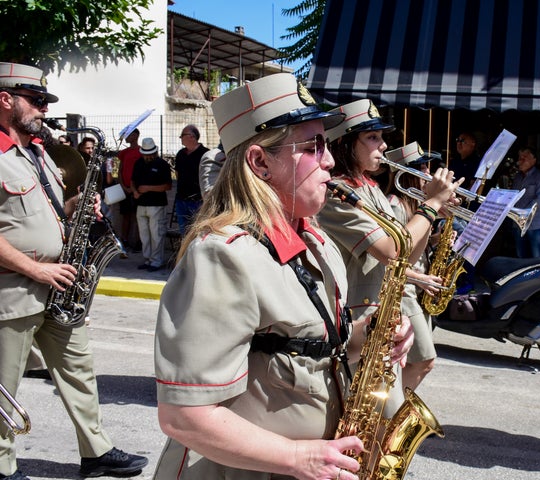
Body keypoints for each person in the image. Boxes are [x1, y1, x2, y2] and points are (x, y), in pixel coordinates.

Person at [153, 72, 413, 480]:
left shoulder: (317, 241)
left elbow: (302, 347)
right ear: (260, 162)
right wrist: (298, 458)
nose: (328, 160)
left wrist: (367, 336)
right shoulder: (222, 256)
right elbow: (185, 416)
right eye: (313, 146)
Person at [0, 62, 148, 480]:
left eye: (45, 101)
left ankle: (95, 450)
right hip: (14, 287)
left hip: (59, 283)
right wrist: (35, 268)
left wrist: (77, 209)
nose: (43, 110)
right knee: (6, 383)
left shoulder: (37, 153)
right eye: (36, 100)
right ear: (5, 99)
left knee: (79, 369)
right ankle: (2, 463)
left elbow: (43, 213)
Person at [316, 99, 459, 412]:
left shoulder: (371, 188)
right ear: (344, 143)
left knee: (381, 420)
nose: (383, 145)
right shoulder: (338, 193)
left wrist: (431, 213)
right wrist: (430, 204)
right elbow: (390, 251)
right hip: (356, 319)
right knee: (373, 419)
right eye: (372, 137)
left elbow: (403, 256)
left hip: (381, 317)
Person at [384, 142, 444, 391]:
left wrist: (439, 238)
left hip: (416, 289)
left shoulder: (413, 206)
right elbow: (394, 257)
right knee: (424, 360)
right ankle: (395, 415)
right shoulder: (395, 205)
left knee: (410, 361)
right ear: (408, 173)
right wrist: (418, 278)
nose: (429, 173)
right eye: (422, 167)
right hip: (404, 291)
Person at [131, 137, 171, 272]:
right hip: (141, 204)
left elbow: (167, 186)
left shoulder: (162, 164)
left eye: (150, 154)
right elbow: (133, 180)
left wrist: (148, 188)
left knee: (156, 234)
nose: (148, 156)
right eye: (145, 154)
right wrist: (135, 191)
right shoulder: (138, 163)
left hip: (157, 204)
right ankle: (148, 259)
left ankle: (156, 261)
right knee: (144, 234)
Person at [511, 146, 540, 258]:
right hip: (518, 225)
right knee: (520, 258)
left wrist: (521, 213)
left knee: (537, 258)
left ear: (534, 160)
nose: (521, 160)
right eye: (520, 157)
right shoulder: (517, 177)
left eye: (525, 157)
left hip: (535, 224)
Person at [173, 124, 209, 235]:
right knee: (184, 233)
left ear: (191, 136)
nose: (180, 138)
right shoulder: (180, 154)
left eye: (182, 135)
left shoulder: (205, 154)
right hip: (181, 199)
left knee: (199, 232)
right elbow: (177, 174)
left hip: (198, 201)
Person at [117, 128, 141, 251]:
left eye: (129, 134)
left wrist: (135, 188)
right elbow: (120, 171)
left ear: (136, 135)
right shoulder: (124, 152)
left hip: (137, 190)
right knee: (126, 216)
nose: (127, 136)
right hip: (125, 189)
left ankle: (137, 241)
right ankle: (124, 239)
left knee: (137, 216)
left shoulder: (141, 151)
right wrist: (124, 186)